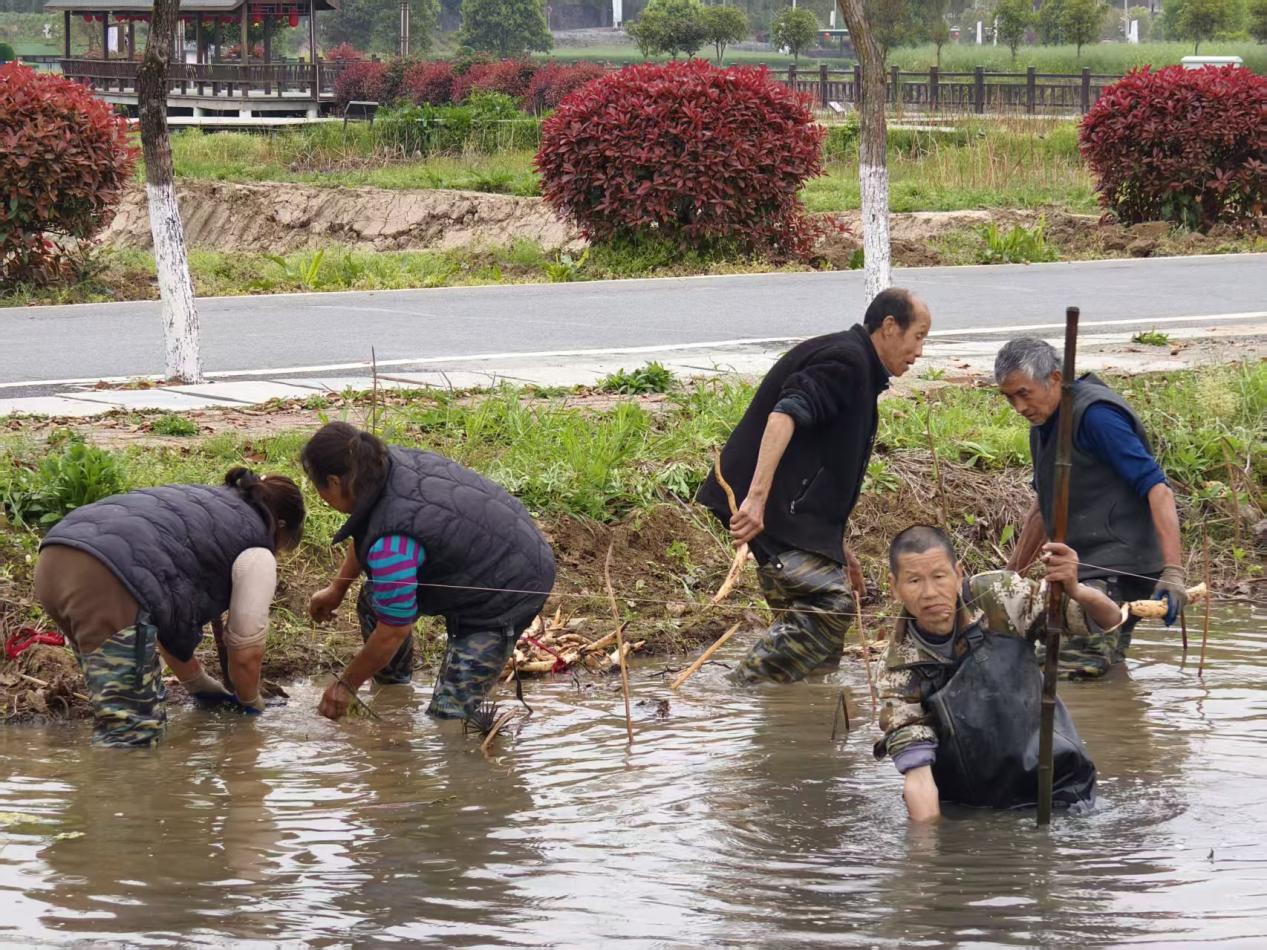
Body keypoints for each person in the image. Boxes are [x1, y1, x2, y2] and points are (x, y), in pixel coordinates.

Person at [696, 287, 932, 683]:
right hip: (770, 512)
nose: (920, 351)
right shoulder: (847, 361)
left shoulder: (860, 368)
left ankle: (799, 715)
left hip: (790, 513)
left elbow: (815, 462)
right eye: (918, 336)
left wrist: (835, 548)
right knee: (831, 603)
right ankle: (737, 691)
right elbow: (784, 415)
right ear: (890, 326)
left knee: (819, 648)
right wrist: (756, 499)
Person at [301, 423, 556, 723]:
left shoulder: (392, 541)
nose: (320, 496)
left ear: (333, 482)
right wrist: (337, 589)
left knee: (449, 718)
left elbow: (392, 630)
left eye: (318, 488)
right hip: (480, 549)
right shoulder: (379, 467)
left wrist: (346, 686)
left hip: (510, 585)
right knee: (375, 600)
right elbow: (370, 527)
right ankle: (394, 689)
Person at [34, 468, 306, 747]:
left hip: (54, 561)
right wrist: (252, 705)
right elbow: (246, 653)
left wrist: (198, 683)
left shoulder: (206, 502)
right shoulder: (257, 546)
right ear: (281, 525)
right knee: (131, 737)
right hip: (108, 579)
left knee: (116, 706)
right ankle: (118, 775)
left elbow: (168, 617)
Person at [875, 525, 1107, 821]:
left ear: (958, 574)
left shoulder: (999, 596)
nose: (930, 593)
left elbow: (1104, 620)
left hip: (1057, 786)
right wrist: (927, 845)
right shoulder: (897, 669)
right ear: (894, 587)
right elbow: (918, 778)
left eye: (939, 576)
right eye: (914, 581)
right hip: (971, 804)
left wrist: (1076, 589)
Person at [994, 337, 1186, 679]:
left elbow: (1158, 489)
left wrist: (1174, 572)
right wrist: (1011, 576)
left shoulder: (1096, 417)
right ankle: (1120, 706)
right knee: (1100, 666)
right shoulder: (1044, 423)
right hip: (1081, 569)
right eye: (1009, 398)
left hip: (1116, 568)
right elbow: (1043, 507)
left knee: (1067, 672)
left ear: (1054, 378)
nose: (1019, 407)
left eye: (1024, 393)